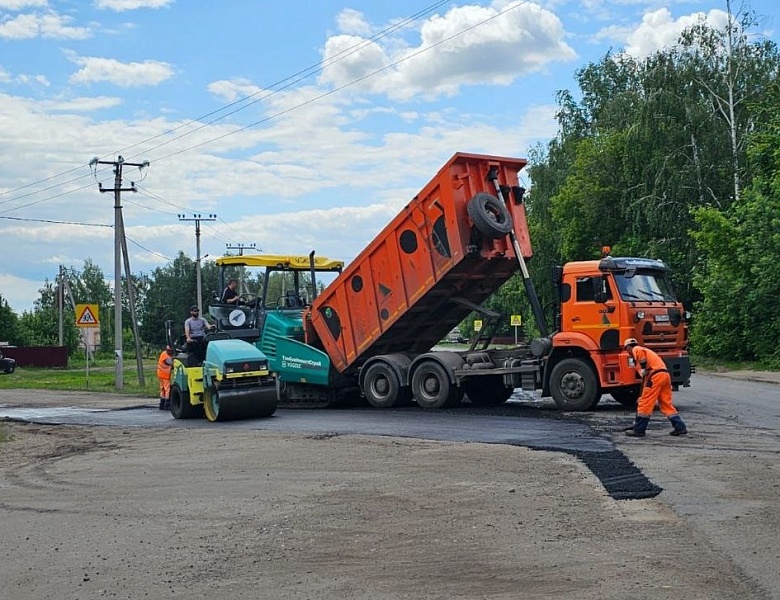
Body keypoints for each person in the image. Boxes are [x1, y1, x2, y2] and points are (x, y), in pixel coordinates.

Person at [623, 338, 688, 437]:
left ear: (628, 347)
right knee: (666, 403)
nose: (627, 352)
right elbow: (645, 378)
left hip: (655, 377)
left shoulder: (637, 349)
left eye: (626, 349)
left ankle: (639, 430)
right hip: (664, 375)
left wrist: (644, 368)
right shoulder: (645, 354)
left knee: (645, 403)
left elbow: (643, 363)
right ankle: (680, 426)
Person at [156, 345, 173, 411]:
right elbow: (171, 364)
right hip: (165, 375)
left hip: (160, 374)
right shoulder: (166, 357)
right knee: (167, 389)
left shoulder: (163, 354)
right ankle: (167, 404)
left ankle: (162, 404)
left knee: (162, 389)